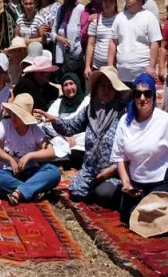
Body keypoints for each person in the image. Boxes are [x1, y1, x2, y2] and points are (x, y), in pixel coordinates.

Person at [38, 67, 130, 205]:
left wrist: (113, 169)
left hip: (114, 170)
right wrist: (54, 120)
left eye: (110, 86)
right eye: (103, 86)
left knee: (103, 194)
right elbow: (71, 126)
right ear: (97, 88)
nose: (106, 90)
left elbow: (130, 149)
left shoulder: (123, 114)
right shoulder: (91, 109)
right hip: (91, 168)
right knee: (75, 192)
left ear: (116, 90)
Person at [111, 73, 168, 226]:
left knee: (151, 210)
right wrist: (126, 183)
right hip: (137, 184)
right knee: (128, 216)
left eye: (147, 94)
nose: (142, 98)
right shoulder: (125, 121)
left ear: (153, 95)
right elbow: (120, 157)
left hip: (162, 181)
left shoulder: (166, 121)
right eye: (138, 94)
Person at [0, 93, 60, 205]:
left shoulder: (34, 129)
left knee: (53, 172)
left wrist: (29, 156)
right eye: (13, 113)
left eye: (18, 115)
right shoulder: (5, 124)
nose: (13, 117)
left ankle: (20, 191)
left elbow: (51, 152)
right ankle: (32, 190)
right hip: (8, 173)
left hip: (31, 173)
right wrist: (10, 160)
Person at [111, 0, 162, 84]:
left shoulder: (149, 17)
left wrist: (152, 67)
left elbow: (155, 43)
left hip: (142, 74)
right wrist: (110, 65)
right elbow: (113, 42)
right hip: (122, 74)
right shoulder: (119, 17)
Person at [51, 0, 87, 76]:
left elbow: (82, 34)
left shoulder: (81, 9)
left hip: (75, 57)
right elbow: (52, 32)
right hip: (60, 55)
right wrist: (60, 39)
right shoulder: (61, 9)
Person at [84, 0, 120, 80]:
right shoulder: (95, 20)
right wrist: (87, 66)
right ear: (102, 2)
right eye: (105, 0)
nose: (107, 4)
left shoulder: (120, 20)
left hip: (115, 68)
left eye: (111, 1)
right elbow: (90, 45)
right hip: (97, 67)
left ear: (115, 2)